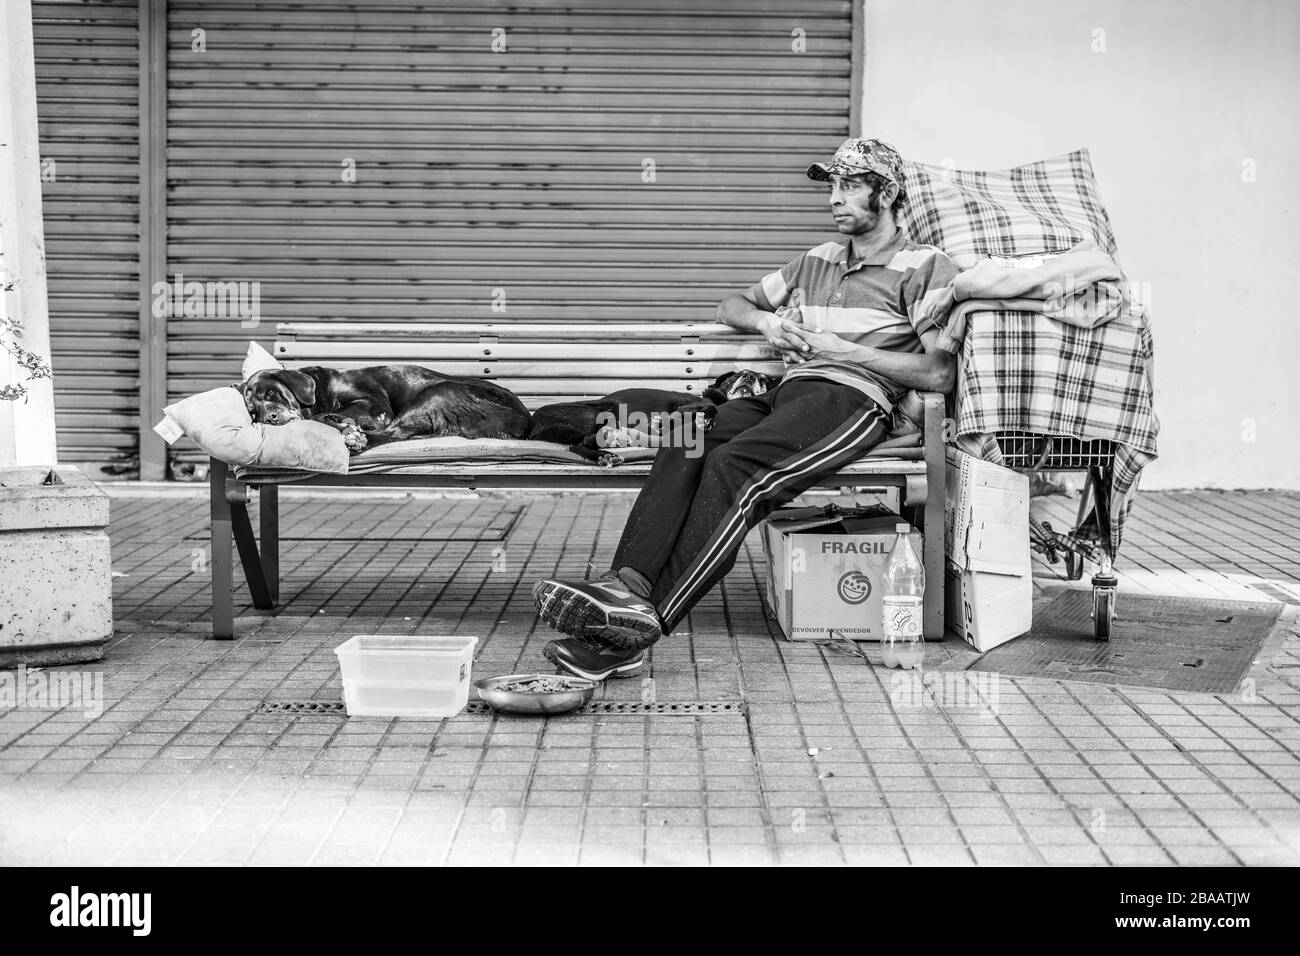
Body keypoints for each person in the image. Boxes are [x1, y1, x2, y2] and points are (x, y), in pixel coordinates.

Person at [531, 138, 960, 680]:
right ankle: (629, 587)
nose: (834, 198)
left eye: (850, 186)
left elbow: (938, 372)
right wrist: (767, 323)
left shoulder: (926, 267)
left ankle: (631, 636)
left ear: (889, 193)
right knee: (685, 434)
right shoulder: (816, 260)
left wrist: (841, 350)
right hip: (787, 391)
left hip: (853, 398)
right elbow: (731, 303)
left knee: (736, 470)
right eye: (831, 185)